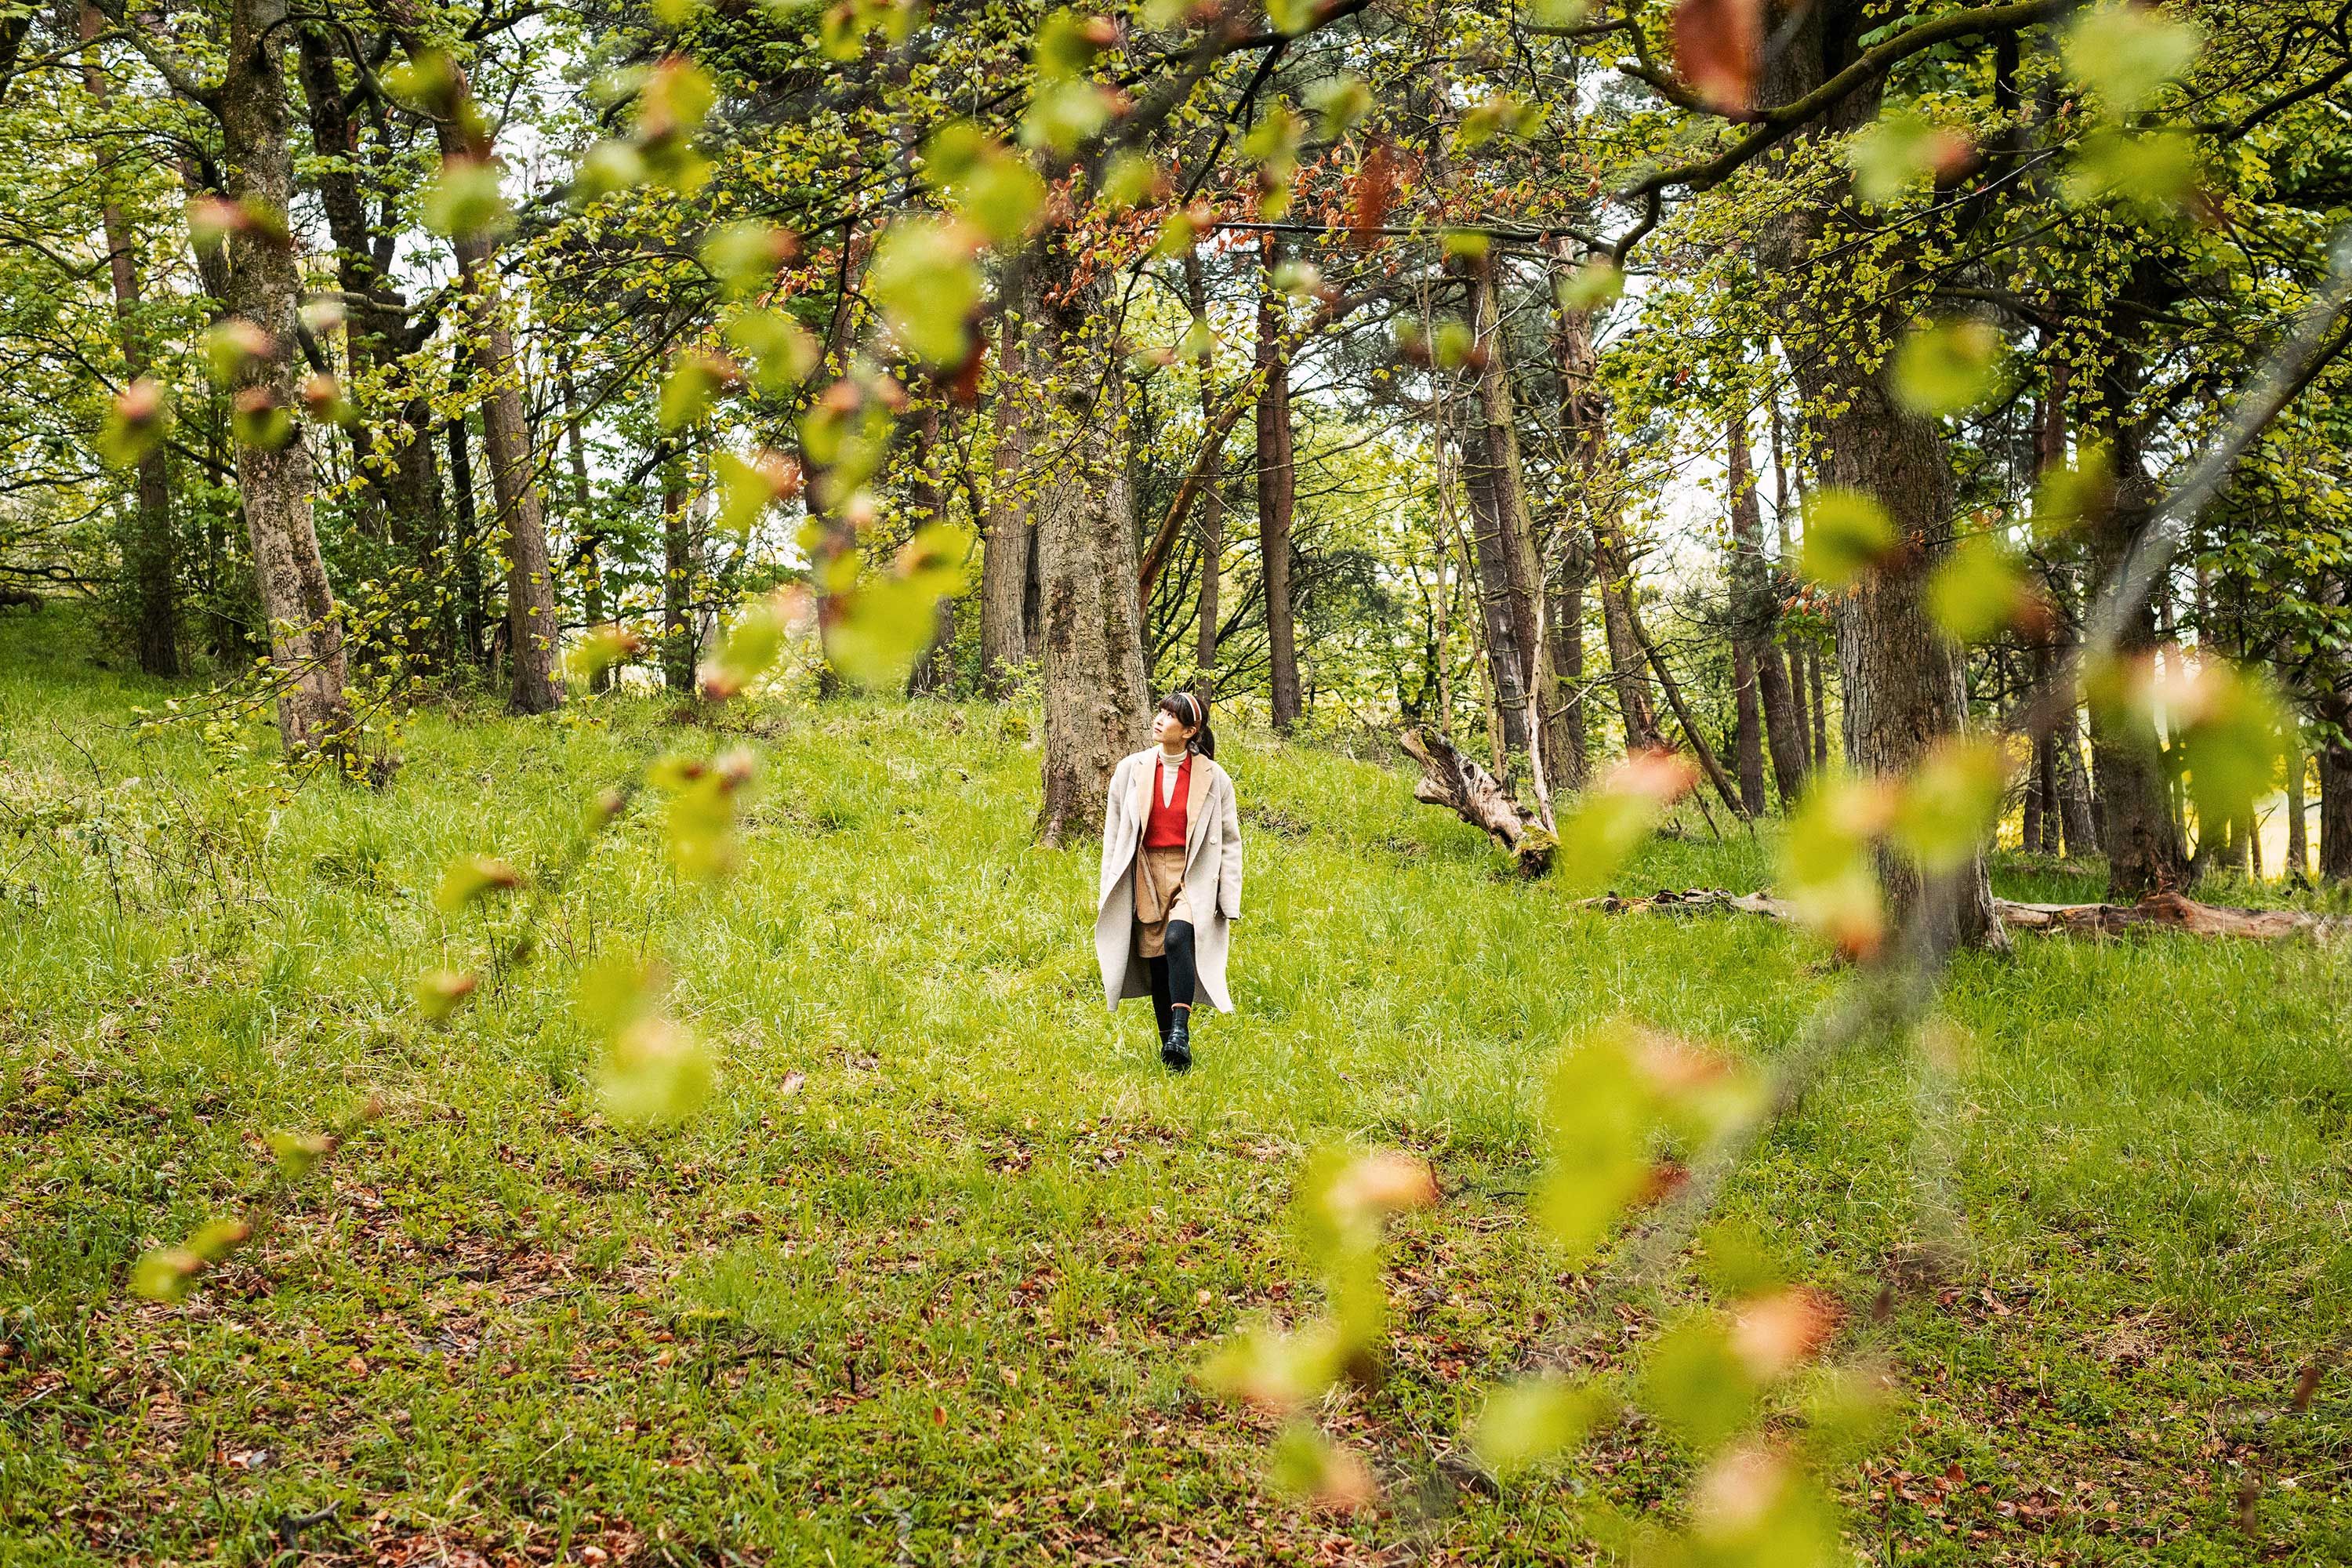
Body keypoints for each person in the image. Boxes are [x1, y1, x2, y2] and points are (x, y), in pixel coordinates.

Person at [1094, 691, 1243, 1071]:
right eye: (1160, 711)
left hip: (1192, 870)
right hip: (1144, 868)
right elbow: (1115, 834)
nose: (1160, 719)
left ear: (1190, 731)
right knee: (1157, 957)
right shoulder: (1131, 769)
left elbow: (1229, 841)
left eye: (1170, 716)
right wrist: (1108, 885)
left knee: (1178, 938)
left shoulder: (1215, 777)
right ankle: (1171, 1049)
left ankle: (1180, 1030)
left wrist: (1229, 899)